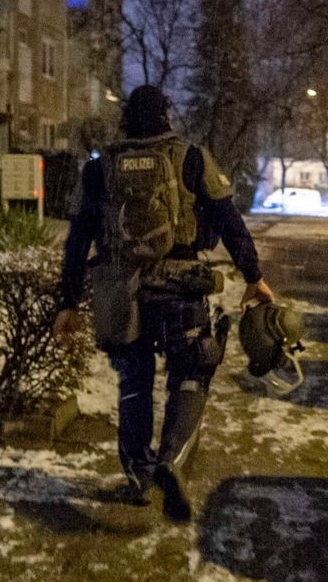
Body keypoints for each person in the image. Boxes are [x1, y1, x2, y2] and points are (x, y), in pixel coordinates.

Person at [53, 84, 274, 523]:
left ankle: (138, 473)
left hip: (121, 291)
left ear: (126, 119)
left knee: (133, 380)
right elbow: (228, 220)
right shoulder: (191, 158)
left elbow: (77, 238)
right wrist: (254, 276)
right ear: (166, 117)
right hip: (180, 288)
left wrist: (68, 301)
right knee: (192, 371)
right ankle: (170, 461)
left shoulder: (101, 168)